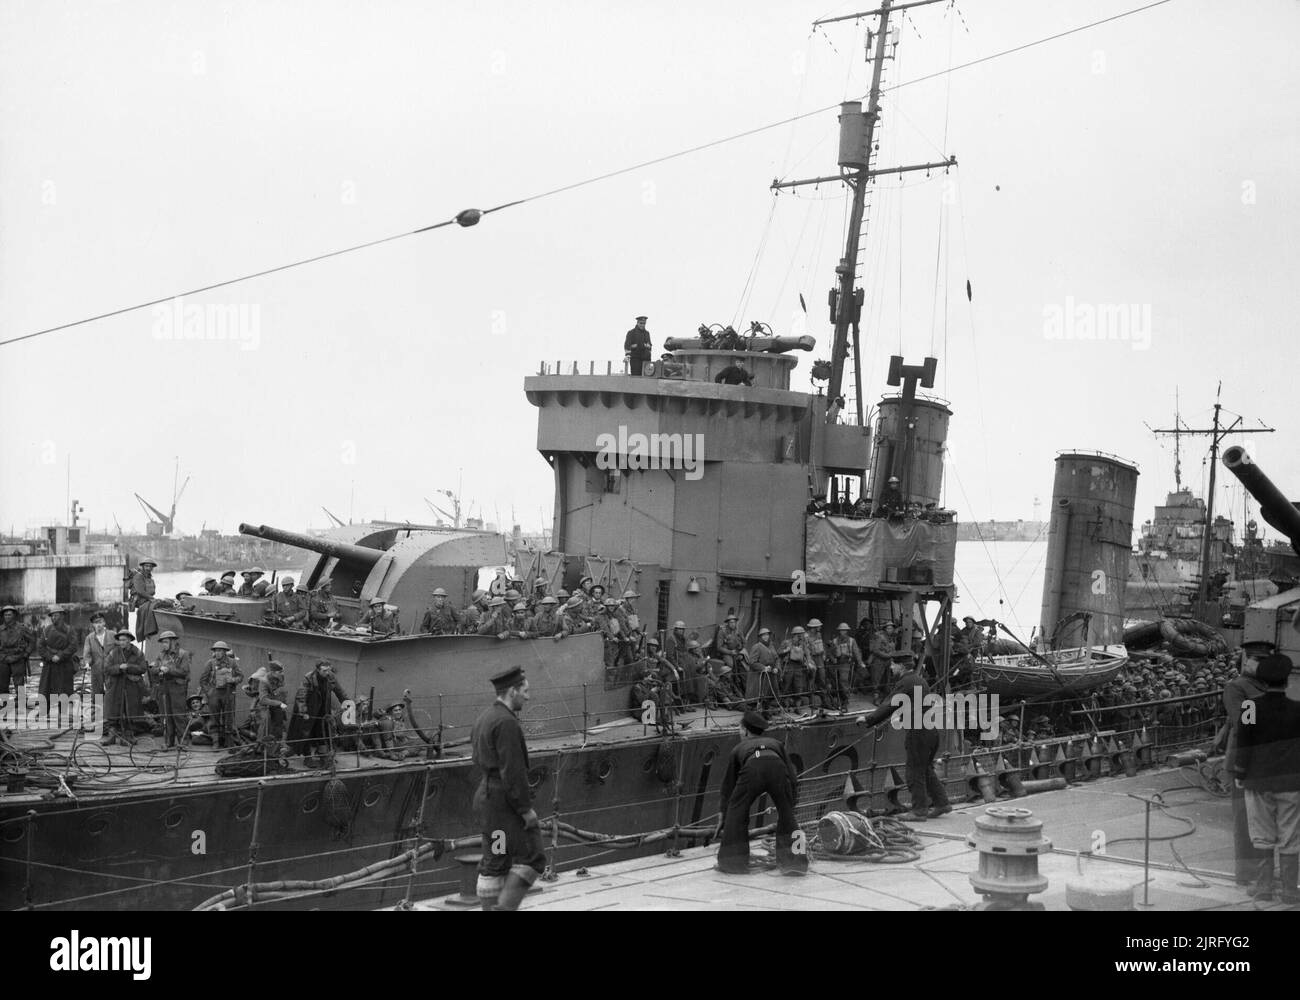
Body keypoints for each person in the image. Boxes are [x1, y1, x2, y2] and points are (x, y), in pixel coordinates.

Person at [470, 665, 548, 911]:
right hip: (504, 807)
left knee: (497, 857)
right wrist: (526, 810)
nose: (528, 696)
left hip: (488, 801)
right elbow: (513, 772)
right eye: (525, 691)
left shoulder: (485, 717)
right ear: (512, 691)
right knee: (534, 857)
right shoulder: (507, 723)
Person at [1233, 652, 1300, 904]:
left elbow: (1245, 740)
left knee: (1261, 834)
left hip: (1258, 781)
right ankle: (1292, 891)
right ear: (1286, 682)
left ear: (1262, 681)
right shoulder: (1297, 709)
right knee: (1291, 835)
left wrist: (1240, 772)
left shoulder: (1250, 707)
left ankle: (1264, 887)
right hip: (1291, 782)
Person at [862, 652, 952, 821]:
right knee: (925, 769)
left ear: (902, 666)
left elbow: (890, 703)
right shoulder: (921, 680)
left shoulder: (905, 682)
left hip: (917, 732)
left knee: (914, 771)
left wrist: (869, 719)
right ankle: (942, 803)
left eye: (893, 665)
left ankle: (919, 811)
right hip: (931, 730)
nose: (891, 667)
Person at [716, 710, 807, 875]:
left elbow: (728, 786)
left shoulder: (738, 748)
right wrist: (790, 801)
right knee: (788, 817)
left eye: (739, 728)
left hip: (752, 769)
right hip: (777, 767)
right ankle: (796, 863)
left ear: (745, 730)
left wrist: (723, 811)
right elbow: (792, 776)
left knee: (736, 814)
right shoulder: (776, 743)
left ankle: (732, 863)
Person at [1224, 639, 1273, 885]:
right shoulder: (1239, 687)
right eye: (1257, 660)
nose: (1261, 665)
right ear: (1247, 660)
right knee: (1244, 823)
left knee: (1265, 823)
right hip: (1245, 762)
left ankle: (1263, 875)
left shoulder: (1266, 687)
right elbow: (1245, 723)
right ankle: (1246, 875)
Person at [288, 659, 349, 767]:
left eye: (328, 670)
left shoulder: (330, 677)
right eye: (324, 670)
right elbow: (301, 696)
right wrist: (303, 711)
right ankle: (307, 758)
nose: (327, 673)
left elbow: (340, 691)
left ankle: (323, 756)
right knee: (306, 734)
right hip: (309, 711)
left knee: (323, 732)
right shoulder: (309, 678)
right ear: (317, 669)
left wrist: (348, 703)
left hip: (323, 710)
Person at [103, 629, 148, 745]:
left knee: (129, 711)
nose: (121, 642)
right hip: (116, 685)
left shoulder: (137, 653)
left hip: (131, 686)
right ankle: (112, 736)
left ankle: (128, 736)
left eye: (124, 640)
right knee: (113, 711)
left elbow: (143, 668)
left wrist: (128, 667)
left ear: (129, 640)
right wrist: (119, 668)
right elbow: (107, 668)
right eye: (120, 640)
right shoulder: (113, 653)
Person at [151, 630, 192, 748]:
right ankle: (170, 741)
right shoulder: (161, 655)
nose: (163, 644)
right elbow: (153, 670)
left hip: (178, 687)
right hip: (165, 687)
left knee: (178, 715)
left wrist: (169, 670)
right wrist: (159, 669)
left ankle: (183, 741)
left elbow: (184, 671)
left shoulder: (183, 654)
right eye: (162, 642)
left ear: (173, 641)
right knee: (167, 714)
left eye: (165, 642)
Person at [37, 608, 78, 724]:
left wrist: (60, 656)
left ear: (62, 616)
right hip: (50, 665)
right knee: (45, 688)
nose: (54, 618)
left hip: (64, 664)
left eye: (56, 615)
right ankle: (44, 712)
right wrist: (50, 657)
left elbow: (73, 646)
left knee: (64, 689)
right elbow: (40, 646)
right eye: (52, 616)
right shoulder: (46, 630)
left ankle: (63, 714)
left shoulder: (70, 630)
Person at [200, 640, 243, 749]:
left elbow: (240, 676)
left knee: (228, 718)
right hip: (215, 693)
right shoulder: (210, 663)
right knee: (214, 718)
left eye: (220, 651)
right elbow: (203, 680)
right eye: (216, 650)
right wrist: (209, 692)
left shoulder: (232, 663)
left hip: (228, 693)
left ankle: (228, 742)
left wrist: (233, 680)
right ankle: (215, 742)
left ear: (225, 652)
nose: (217, 653)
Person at [248, 659, 289, 751]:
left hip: (277, 704)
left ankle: (278, 744)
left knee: (280, 720)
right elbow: (263, 700)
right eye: (279, 671)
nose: (282, 673)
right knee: (266, 720)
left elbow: (282, 690)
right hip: (265, 705)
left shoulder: (281, 677)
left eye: (282, 671)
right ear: (273, 672)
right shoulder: (264, 681)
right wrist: (278, 703)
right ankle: (259, 743)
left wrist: (282, 702)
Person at [827, 623, 864, 712]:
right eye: (841, 630)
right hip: (836, 664)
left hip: (846, 663)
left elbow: (856, 652)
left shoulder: (852, 641)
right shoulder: (835, 641)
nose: (842, 632)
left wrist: (860, 663)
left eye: (844, 630)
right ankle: (839, 700)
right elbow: (829, 652)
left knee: (843, 681)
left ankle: (845, 701)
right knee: (835, 682)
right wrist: (833, 659)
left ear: (847, 631)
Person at [80, 611, 112, 697]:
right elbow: (87, 654)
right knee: (97, 696)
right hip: (96, 670)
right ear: (93, 625)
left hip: (111, 670)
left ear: (104, 623)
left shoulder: (113, 635)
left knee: (113, 694)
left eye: (100, 622)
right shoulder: (89, 638)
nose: (98, 625)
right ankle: (98, 710)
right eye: (95, 623)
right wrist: (87, 663)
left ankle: (112, 710)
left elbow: (119, 651)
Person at [746, 627, 780, 708]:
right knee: (759, 695)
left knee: (771, 693)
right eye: (763, 635)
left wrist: (776, 668)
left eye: (767, 635)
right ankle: (757, 710)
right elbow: (752, 662)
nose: (766, 637)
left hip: (771, 674)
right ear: (760, 637)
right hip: (759, 676)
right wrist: (763, 668)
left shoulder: (771, 646)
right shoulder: (757, 646)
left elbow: (777, 658)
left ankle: (768, 709)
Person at [130, 558, 159, 643]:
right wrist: (151, 598)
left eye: (150, 566)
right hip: (140, 601)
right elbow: (140, 591)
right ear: (142, 567)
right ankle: (148, 630)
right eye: (146, 566)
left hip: (148, 599)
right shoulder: (138, 576)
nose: (148, 568)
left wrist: (152, 598)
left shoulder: (150, 579)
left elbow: (153, 592)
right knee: (151, 606)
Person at [868, 623, 896, 702]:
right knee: (876, 679)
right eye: (888, 628)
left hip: (888, 662)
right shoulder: (880, 637)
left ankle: (885, 698)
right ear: (885, 629)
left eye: (891, 628)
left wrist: (892, 655)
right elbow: (876, 650)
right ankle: (875, 698)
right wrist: (887, 655)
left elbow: (893, 649)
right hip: (879, 661)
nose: (890, 630)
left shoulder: (891, 638)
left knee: (887, 680)